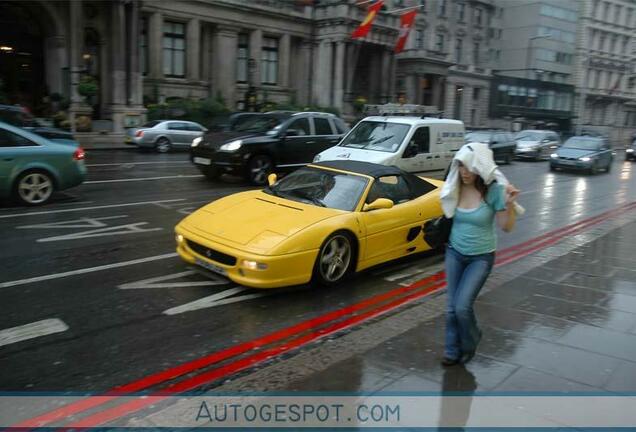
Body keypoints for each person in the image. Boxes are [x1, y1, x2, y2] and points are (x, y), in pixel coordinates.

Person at [439, 143, 520, 366]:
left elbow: (506, 227)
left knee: (463, 307)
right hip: (454, 252)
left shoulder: (493, 191)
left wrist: (509, 205)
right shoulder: (454, 186)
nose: (464, 172)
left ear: (479, 168)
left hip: (481, 257)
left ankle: (472, 340)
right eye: (461, 167)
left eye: (469, 167)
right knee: (451, 308)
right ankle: (451, 351)